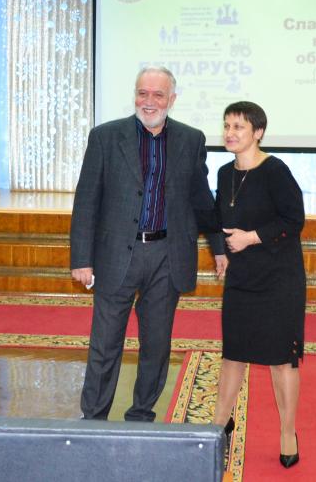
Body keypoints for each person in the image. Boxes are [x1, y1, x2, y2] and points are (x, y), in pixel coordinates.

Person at [70, 66, 227, 422]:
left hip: (167, 256)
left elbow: (202, 199)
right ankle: (93, 419)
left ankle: (141, 416)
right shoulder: (105, 137)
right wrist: (81, 258)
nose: (149, 101)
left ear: (172, 99)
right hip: (115, 255)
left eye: (158, 94)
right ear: (135, 95)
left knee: (156, 345)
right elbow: (87, 200)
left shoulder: (191, 139)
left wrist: (219, 247)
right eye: (143, 93)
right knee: (105, 343)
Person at [206, 101, 306, 468]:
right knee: (233, 354)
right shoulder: (223, 173)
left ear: (258, 132)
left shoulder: (275, 171)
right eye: (227, 125)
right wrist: (220, 252)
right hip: (241, 278)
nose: (230, 133)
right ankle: (219, 425)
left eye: (239, 127)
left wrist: (251, 237)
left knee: (281, 359)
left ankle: (287, 432)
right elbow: (218, 219)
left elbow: (294, 219)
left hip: (279, 278)